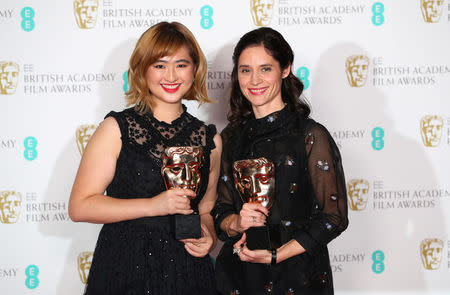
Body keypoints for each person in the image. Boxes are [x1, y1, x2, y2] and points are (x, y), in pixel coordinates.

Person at [69, 22, 221, 295]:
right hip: (125, 268)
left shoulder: (209, 139)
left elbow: (206, 208)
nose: (171, 75)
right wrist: (154, 205)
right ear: (142, 70)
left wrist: (208, 235)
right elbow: (80, 207)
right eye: (159, 65)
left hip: (188, 272)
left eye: (181, 64)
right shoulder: (116, 128)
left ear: (195, 69)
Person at [211, 27, 348, 295]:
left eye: (265, 69)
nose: (254, 80)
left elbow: (334, 217)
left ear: (285, 69)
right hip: (240, 276)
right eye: (245, 70)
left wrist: (278, 255)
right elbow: (220, 211)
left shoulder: (310, 135)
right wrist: (236, 223)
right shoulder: (229, 138)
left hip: (298, 277)